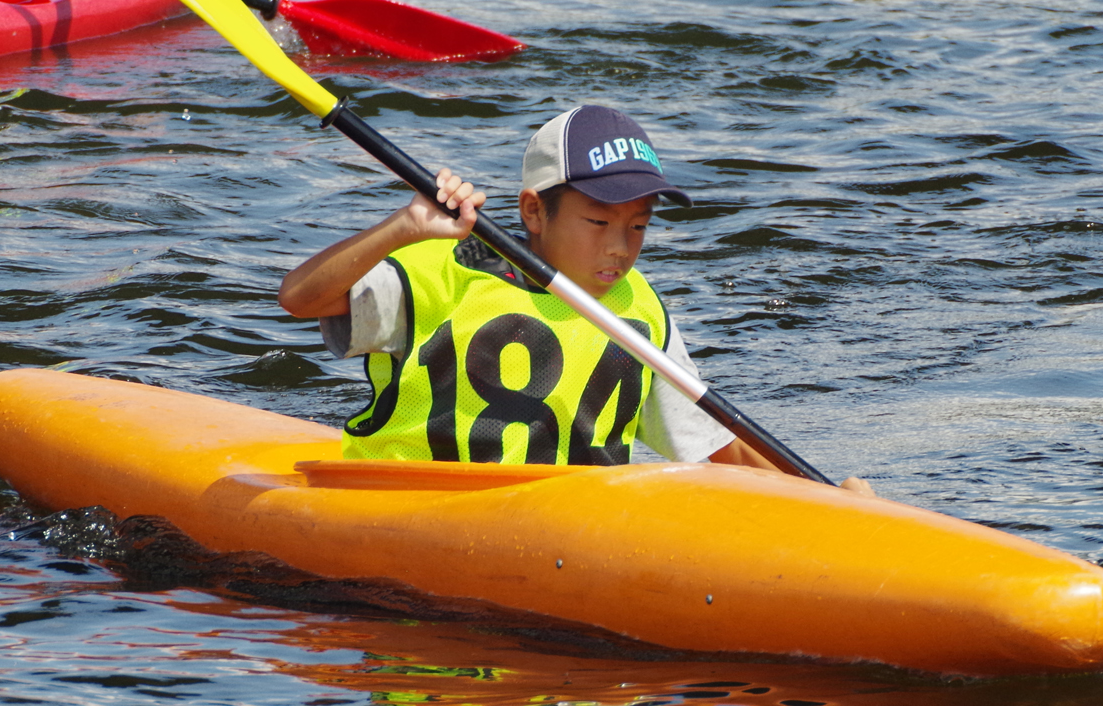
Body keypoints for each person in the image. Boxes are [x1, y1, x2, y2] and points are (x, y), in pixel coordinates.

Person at [280, 104, 873, 492]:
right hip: (410, 506)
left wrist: (829, 502)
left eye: (638, 226)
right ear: (533, 210)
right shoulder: (440, 270)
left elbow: (715, 447)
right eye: (598, 223)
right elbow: (300, 298)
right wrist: (402, 228)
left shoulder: (638, 311)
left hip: (568, 536)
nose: (620, 249)